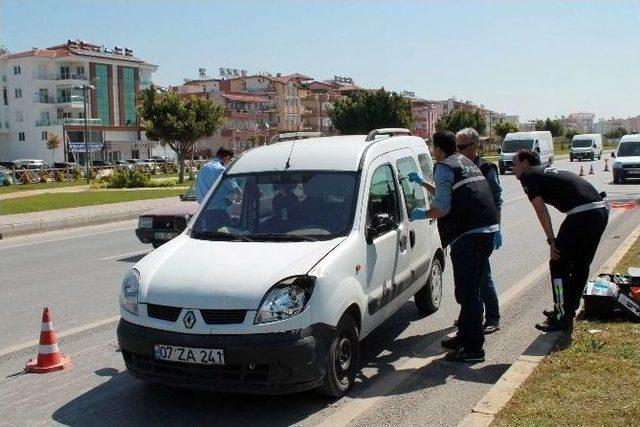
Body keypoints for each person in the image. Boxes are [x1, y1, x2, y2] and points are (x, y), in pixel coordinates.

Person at [409, 131, 499, 363]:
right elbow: (450, 193)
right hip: (486, 231)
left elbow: (442, 208)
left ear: (439, 149)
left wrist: (422, 214)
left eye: (433, 147)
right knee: (470, 290)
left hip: (468, 236)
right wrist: (423, 184)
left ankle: (474, 349)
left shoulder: (443, 167)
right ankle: (465, 335)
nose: (432, 151)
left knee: (468, 294)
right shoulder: (464, 162)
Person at [513, 150, 609, 332]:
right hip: (599, 209)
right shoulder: (544, 171)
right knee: (581, 265)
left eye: (515, 162)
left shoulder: (529, 175)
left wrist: (551, 241)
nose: (512, 167)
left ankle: (560, 315)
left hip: (583, 214)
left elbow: (540, 210)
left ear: (525, 162)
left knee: (557, 263)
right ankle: (567, 312)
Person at [456, 128, 503, 334]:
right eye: (457, 147)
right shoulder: (458, 167)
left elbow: (496, 199)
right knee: (467, 279)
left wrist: (497, 228)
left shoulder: (486, 168)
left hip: (483, 230)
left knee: (483, 275)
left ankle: (493, 316)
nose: (459, 151)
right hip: (464, 231)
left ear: (476, 146)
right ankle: (470, 314)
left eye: (463, 147)